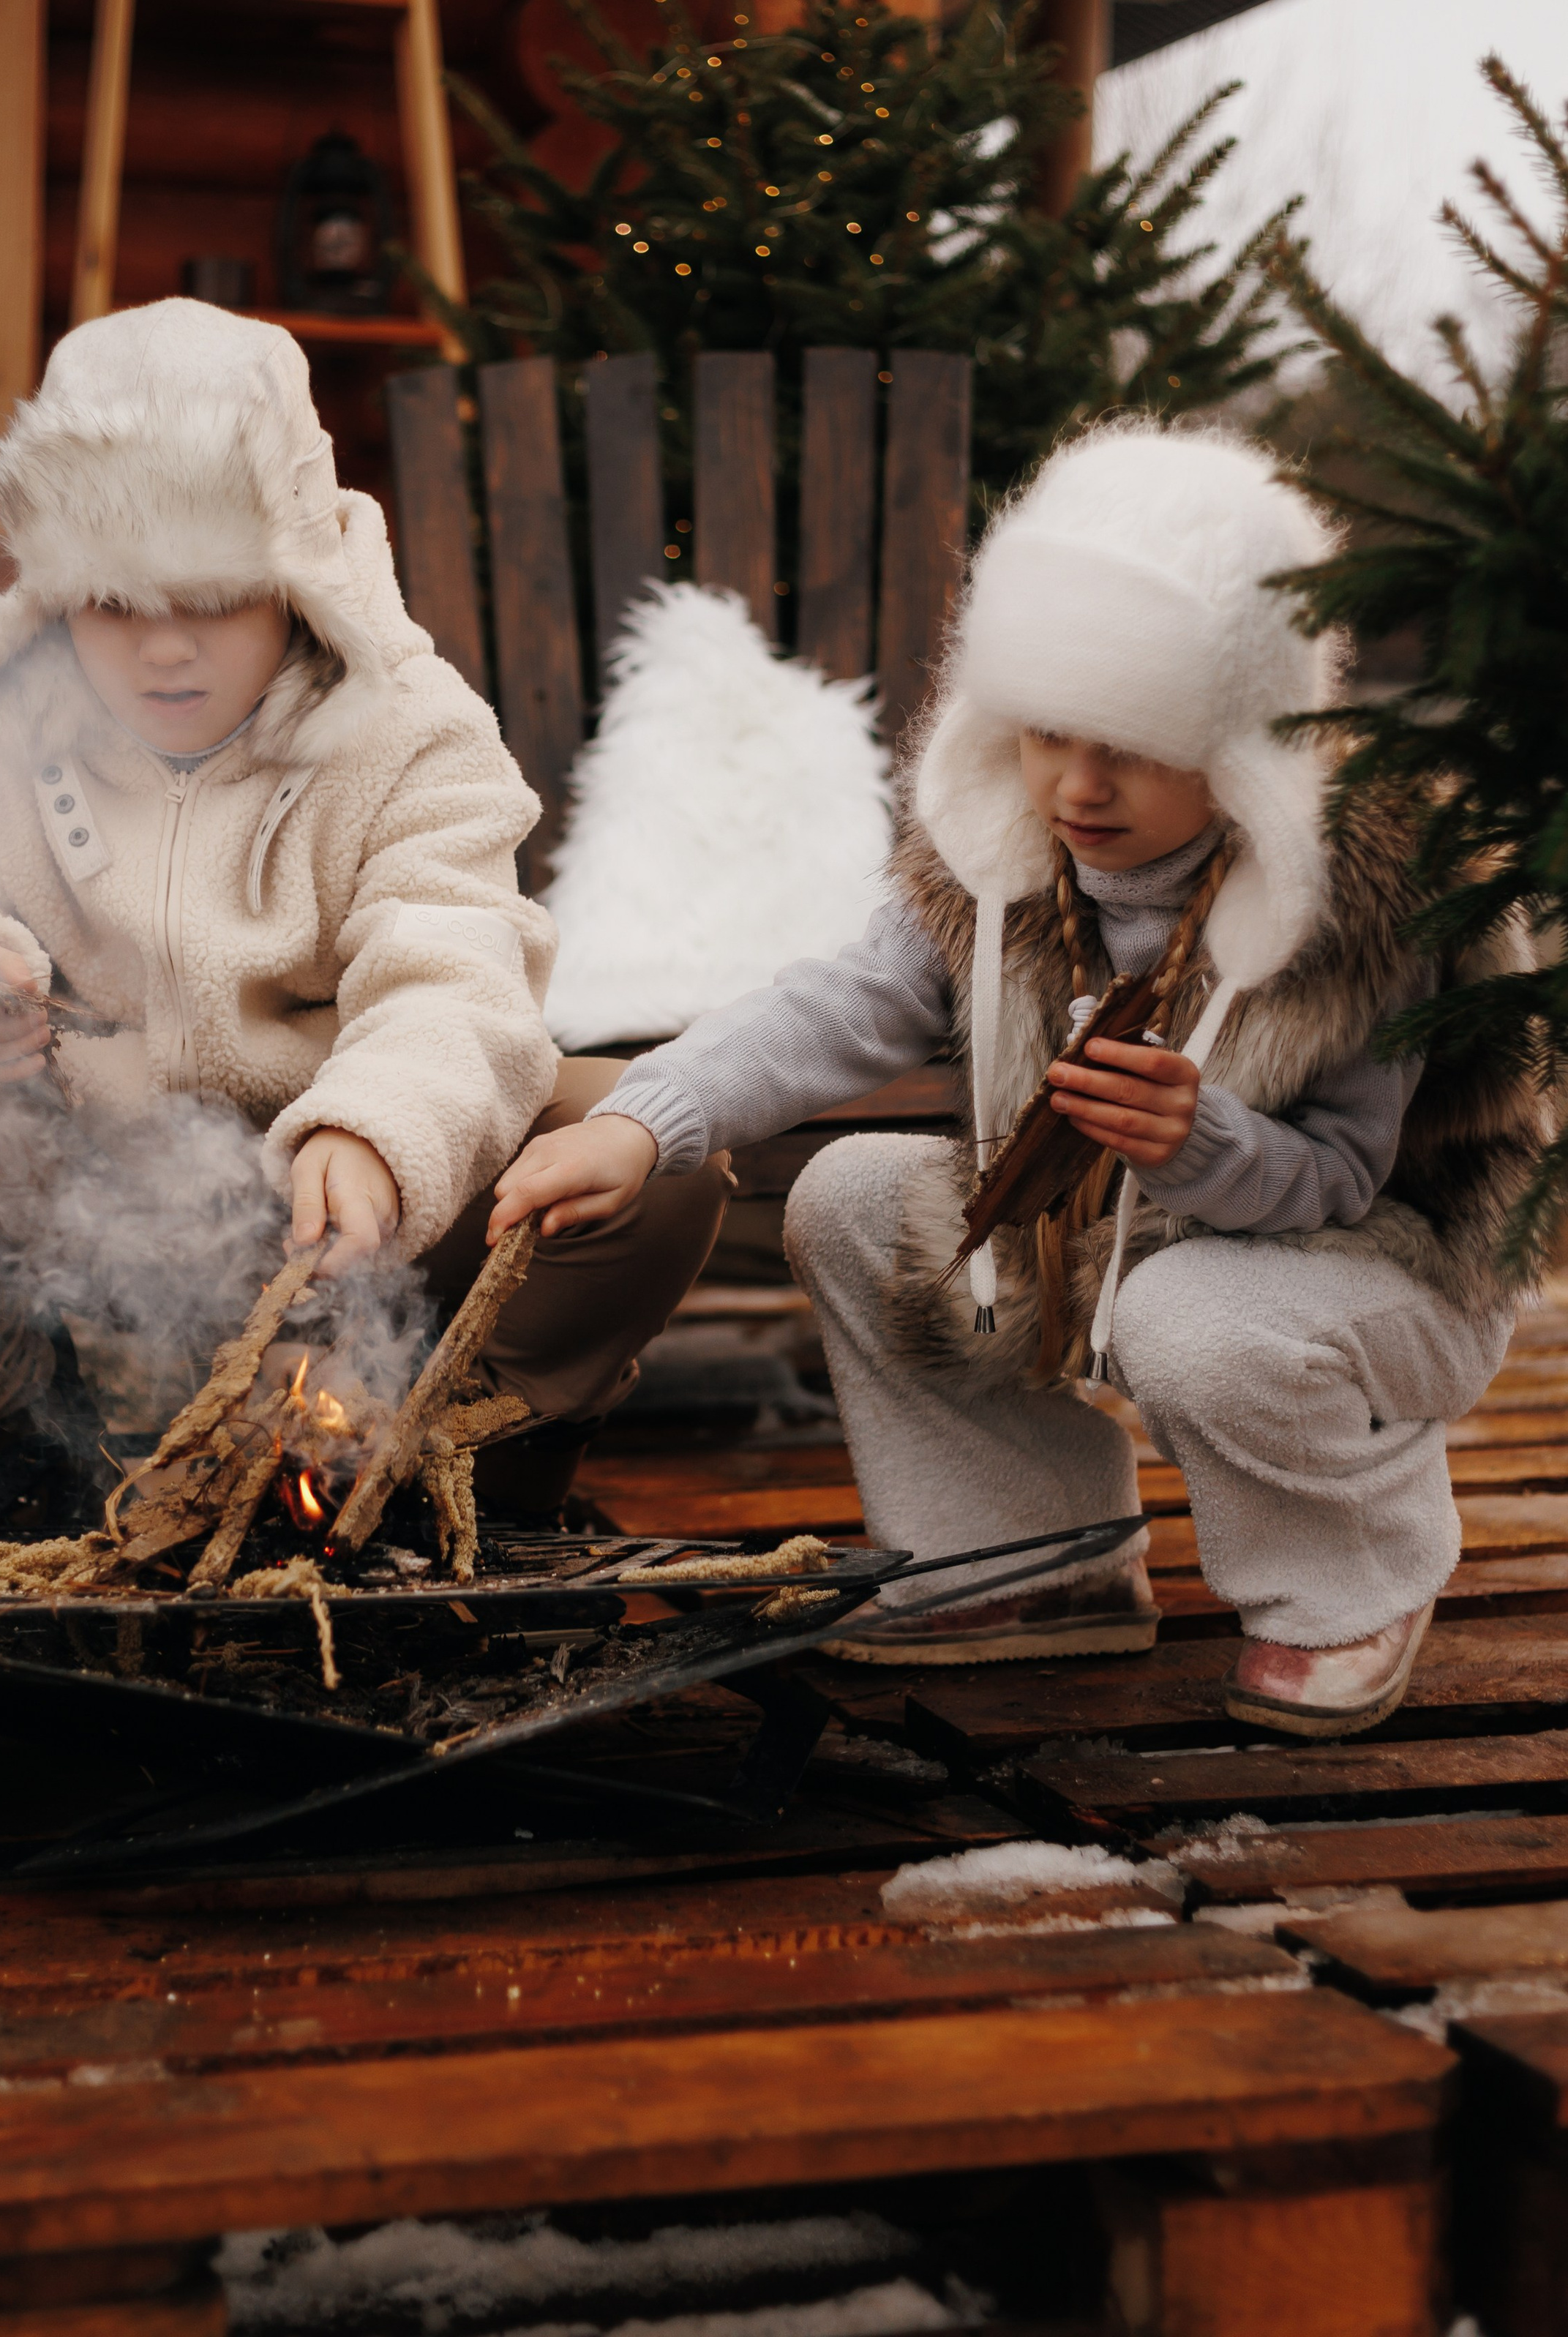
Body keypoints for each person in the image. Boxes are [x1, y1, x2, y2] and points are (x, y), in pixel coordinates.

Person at [491, 424, 1545, 1738]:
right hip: (1118, 1231)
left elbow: (1343, 1179)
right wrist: (645, 1123)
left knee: (1193, 1319)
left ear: (1238, 737)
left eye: (1138, 746)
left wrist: (1197, 1140)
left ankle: (1346, 1583)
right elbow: (841, 1003)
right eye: (1050, 731)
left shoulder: (1358, 896)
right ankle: (1030, 1557)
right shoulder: (1000, 845)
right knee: (857, 1198)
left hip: (1374, 1269)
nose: (1080, 785)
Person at [0, 299, 728, 1535]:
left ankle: (462, 1491)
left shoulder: (411, 729)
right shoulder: (6, 723)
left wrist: (379, 1134)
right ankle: (15, 1481)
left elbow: (457, 971)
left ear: (295, 579)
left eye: (212, 597)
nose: (163, 652)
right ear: (59, 597)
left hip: (360, 1209)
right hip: (102, 1205)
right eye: (115, 602)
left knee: (646, 1146)